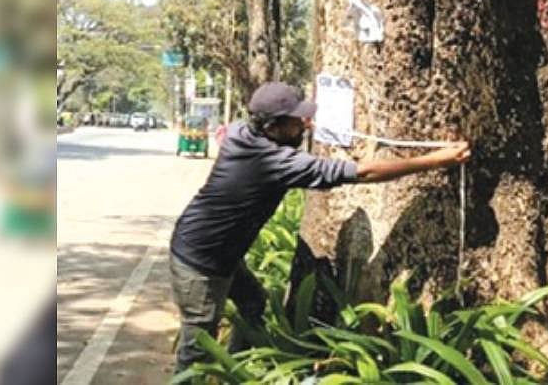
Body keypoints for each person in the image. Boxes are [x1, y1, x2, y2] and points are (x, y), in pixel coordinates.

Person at [168, 82, 470, 373]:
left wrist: (294, 128)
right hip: (201, 263)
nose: (304, 124)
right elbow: (363, 173)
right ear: (272, 127)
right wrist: (435, 160)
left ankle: (234, 369)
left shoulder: (241, 133)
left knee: (253, 302)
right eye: (296, 121)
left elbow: (245, 129)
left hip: (214, 247)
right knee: (197, 350)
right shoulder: (275, 161)